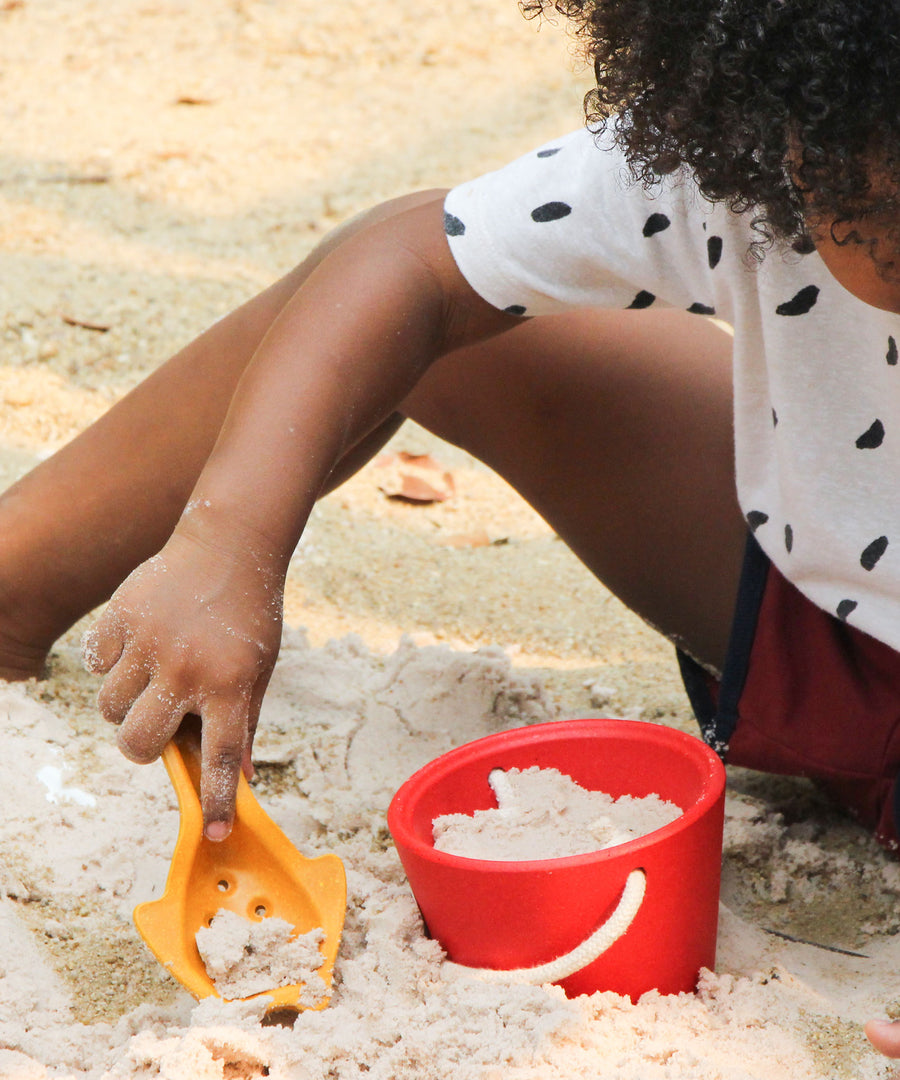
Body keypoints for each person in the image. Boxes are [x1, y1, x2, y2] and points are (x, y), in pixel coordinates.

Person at [2, 0, 900, 1056]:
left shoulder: (845, 143)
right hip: (830, 604)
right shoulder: (750, 155)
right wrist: (226, 545)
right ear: (783, 145)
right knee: (411, 303)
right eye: (875, 208)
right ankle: (16, 578)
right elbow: (416, 265)